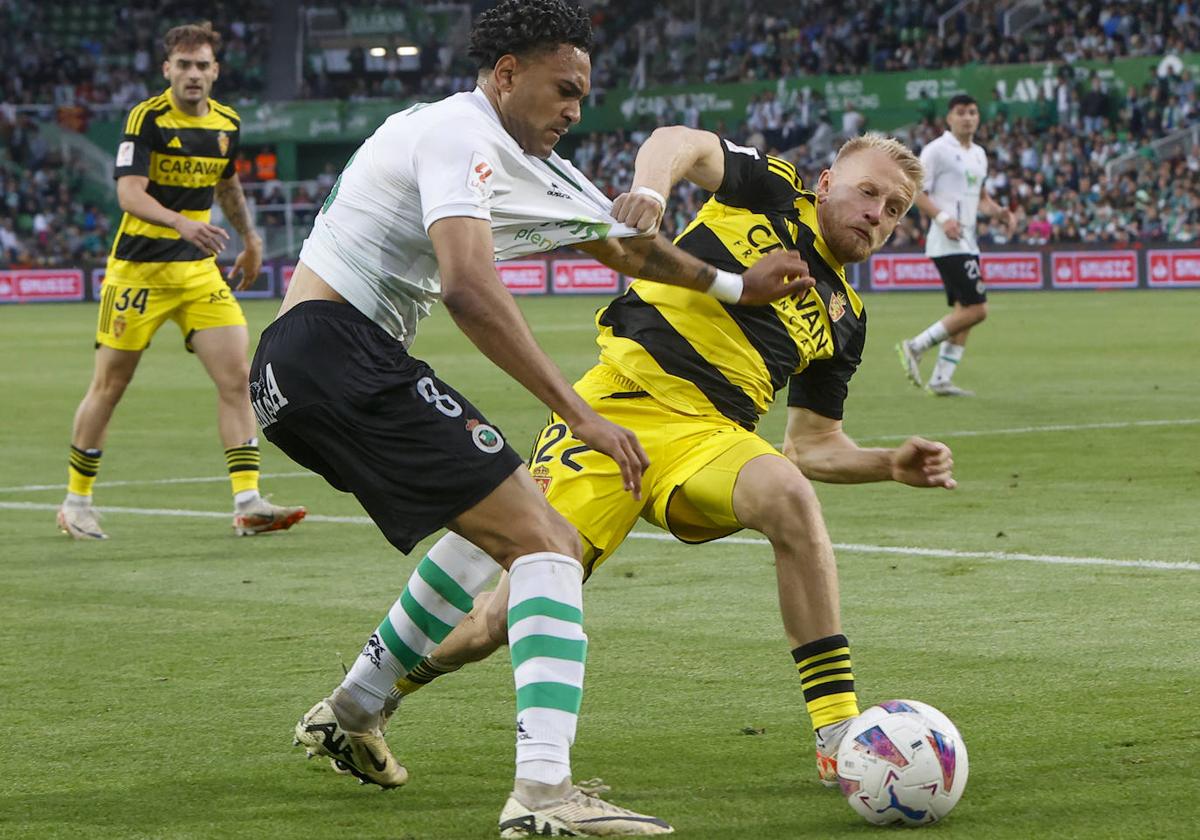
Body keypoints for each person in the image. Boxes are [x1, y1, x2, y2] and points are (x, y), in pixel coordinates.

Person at [253, 1, 809, 836]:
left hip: (308, 369)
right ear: (507, 73)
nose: (576, 110)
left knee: (498, 519)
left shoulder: (530, 163)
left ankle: (353, 710)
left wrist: (736, 287)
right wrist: (579, 412)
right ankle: (543, 793)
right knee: (547, 538)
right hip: (335, 351)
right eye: (564, 90)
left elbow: (628, 249)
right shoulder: (454, 133)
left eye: (584, 95)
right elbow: (470, 287)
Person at [328, 128, 958, 803]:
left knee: (789, 492)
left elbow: (812, 445)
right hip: (615, 413)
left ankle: (838, 735)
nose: (877, 214)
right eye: (868, 192)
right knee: (497, 623)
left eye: (894, 210)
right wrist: (652, 195)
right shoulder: (773, 189)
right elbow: (678, 140)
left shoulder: (848, 318)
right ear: (828, 184)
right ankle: (369, 699)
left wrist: (887, 463)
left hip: (709, 440)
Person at [58, 22, 305, 540]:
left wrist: (252, 239)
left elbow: (228, 183)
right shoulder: (146, 118)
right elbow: (129, 193)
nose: (193, 74)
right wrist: (182, 222)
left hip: (197, 274)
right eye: (184, 65)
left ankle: (248, 502)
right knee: (110, 385)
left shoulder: (226, 123)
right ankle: (76, 502)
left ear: (215, 71)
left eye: (202, 65)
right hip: (139, 273)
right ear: (167, 69)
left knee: (238, 378)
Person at [897, 94, 1015, 397]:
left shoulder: (979, 154)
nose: (968, 118)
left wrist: (999, 212)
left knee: (965, 310)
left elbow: (981, 198)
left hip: (968, 240)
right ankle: (915, 345)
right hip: (947, 240)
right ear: (949, 118)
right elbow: (915, 191)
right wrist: (943, 218)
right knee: (978, 309)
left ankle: (941, 379)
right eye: (961, 113)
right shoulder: (936, 150)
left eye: (973, 112)